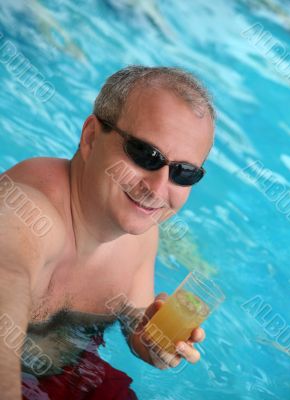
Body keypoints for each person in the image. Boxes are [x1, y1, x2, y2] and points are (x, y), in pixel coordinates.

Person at [0, 65, 215, 400]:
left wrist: (152, 342)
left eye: (183, 173)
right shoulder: (28, 211)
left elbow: (136, 327)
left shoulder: (142, 235)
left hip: (70, 372)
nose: (158, 188)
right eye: (146, 154)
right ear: (90, 138)